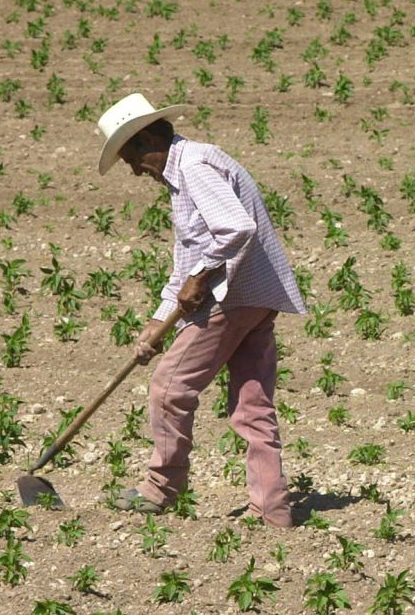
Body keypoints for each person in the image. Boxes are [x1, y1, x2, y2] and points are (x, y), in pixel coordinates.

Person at [94, 93, 306, 527]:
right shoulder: (190, 168)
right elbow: (187, 259)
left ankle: (161, 488)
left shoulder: (193, 168)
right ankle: (272, 509)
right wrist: (157, 322)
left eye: (130, 157)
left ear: (147, 138)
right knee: (253, 405)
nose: (134, 170)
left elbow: (235, 229)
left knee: (169, 389)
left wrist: (201, 277)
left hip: (233, 299)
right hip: (257, 298)